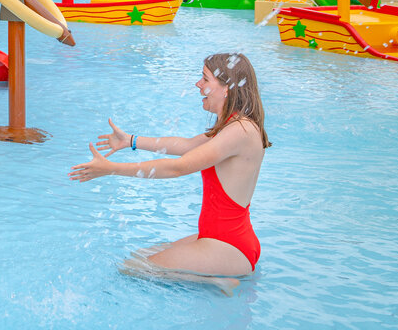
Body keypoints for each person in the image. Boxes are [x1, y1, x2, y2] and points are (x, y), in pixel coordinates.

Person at [69, 53, 270, 293]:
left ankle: (216, 280)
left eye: (205, 79)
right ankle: (215, 275)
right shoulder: (230, 127)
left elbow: (179, 167)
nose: (198, 84)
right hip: (217, 237)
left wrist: (112, 169)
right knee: (141, 256)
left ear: (226, 88)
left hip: (229, 245)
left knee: (133, 268)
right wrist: (130, 140)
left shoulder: (241, 130)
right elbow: (184, 145)